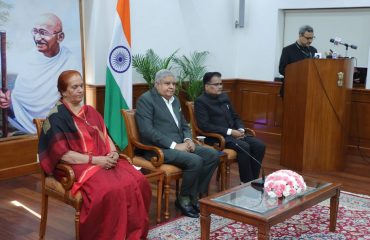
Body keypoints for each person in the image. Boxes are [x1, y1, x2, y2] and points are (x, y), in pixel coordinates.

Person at [38, 70, 151, 239]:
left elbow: (105, 136)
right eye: (74, 87)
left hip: (103, 159)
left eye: (81, 86)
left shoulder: (90, 111)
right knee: (108, 190)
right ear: (63, 92)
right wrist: (96, 160)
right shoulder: (55, 118)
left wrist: (112, 153)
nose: (80, 90)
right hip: (75, 165)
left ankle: (131, 233)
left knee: (138, 180)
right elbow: (63, 154)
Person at [135, 69, 220, 218]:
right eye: (167, 83)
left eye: (174, 84)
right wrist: (175, 145)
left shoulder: (175, 100)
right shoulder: (146, 100)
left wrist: (187, 139)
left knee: (213, 154)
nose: (172, 87)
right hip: (158, 149)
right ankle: (184, 199)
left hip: (181, 144)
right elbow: (147, 131)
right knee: (195, 160)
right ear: (157, 84)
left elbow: (184, 125)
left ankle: (192, 196)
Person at [0, 13, 80, 134]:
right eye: (35, 31)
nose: (37, 38)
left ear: (60, 37)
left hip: (59, 128)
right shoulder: (28, 59)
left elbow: (74, 99)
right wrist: (7, 100)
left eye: (43, 32)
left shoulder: (70, 60)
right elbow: (18, 99)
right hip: (24, 126)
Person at [194, 72, 266, 184]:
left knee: (259, 145)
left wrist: (241, 129)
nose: (220, 87)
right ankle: (246, 182)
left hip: (235, 134)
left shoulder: (224, 97)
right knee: (244, 146)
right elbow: (205, 125)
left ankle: (254, 181)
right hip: (217, 138)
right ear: (206, 86)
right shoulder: (201, 101)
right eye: (216, 84)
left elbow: (235, 116)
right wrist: (230, 131)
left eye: (221, 84)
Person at [278, 25, 317, 96]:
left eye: (312, 38)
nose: (310, 41)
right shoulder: (288, 50)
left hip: (308, 89)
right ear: (300, 35)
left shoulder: (313, 50)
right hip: (291, 89)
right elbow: (281, 69)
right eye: (307, 38)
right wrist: (298, 75)